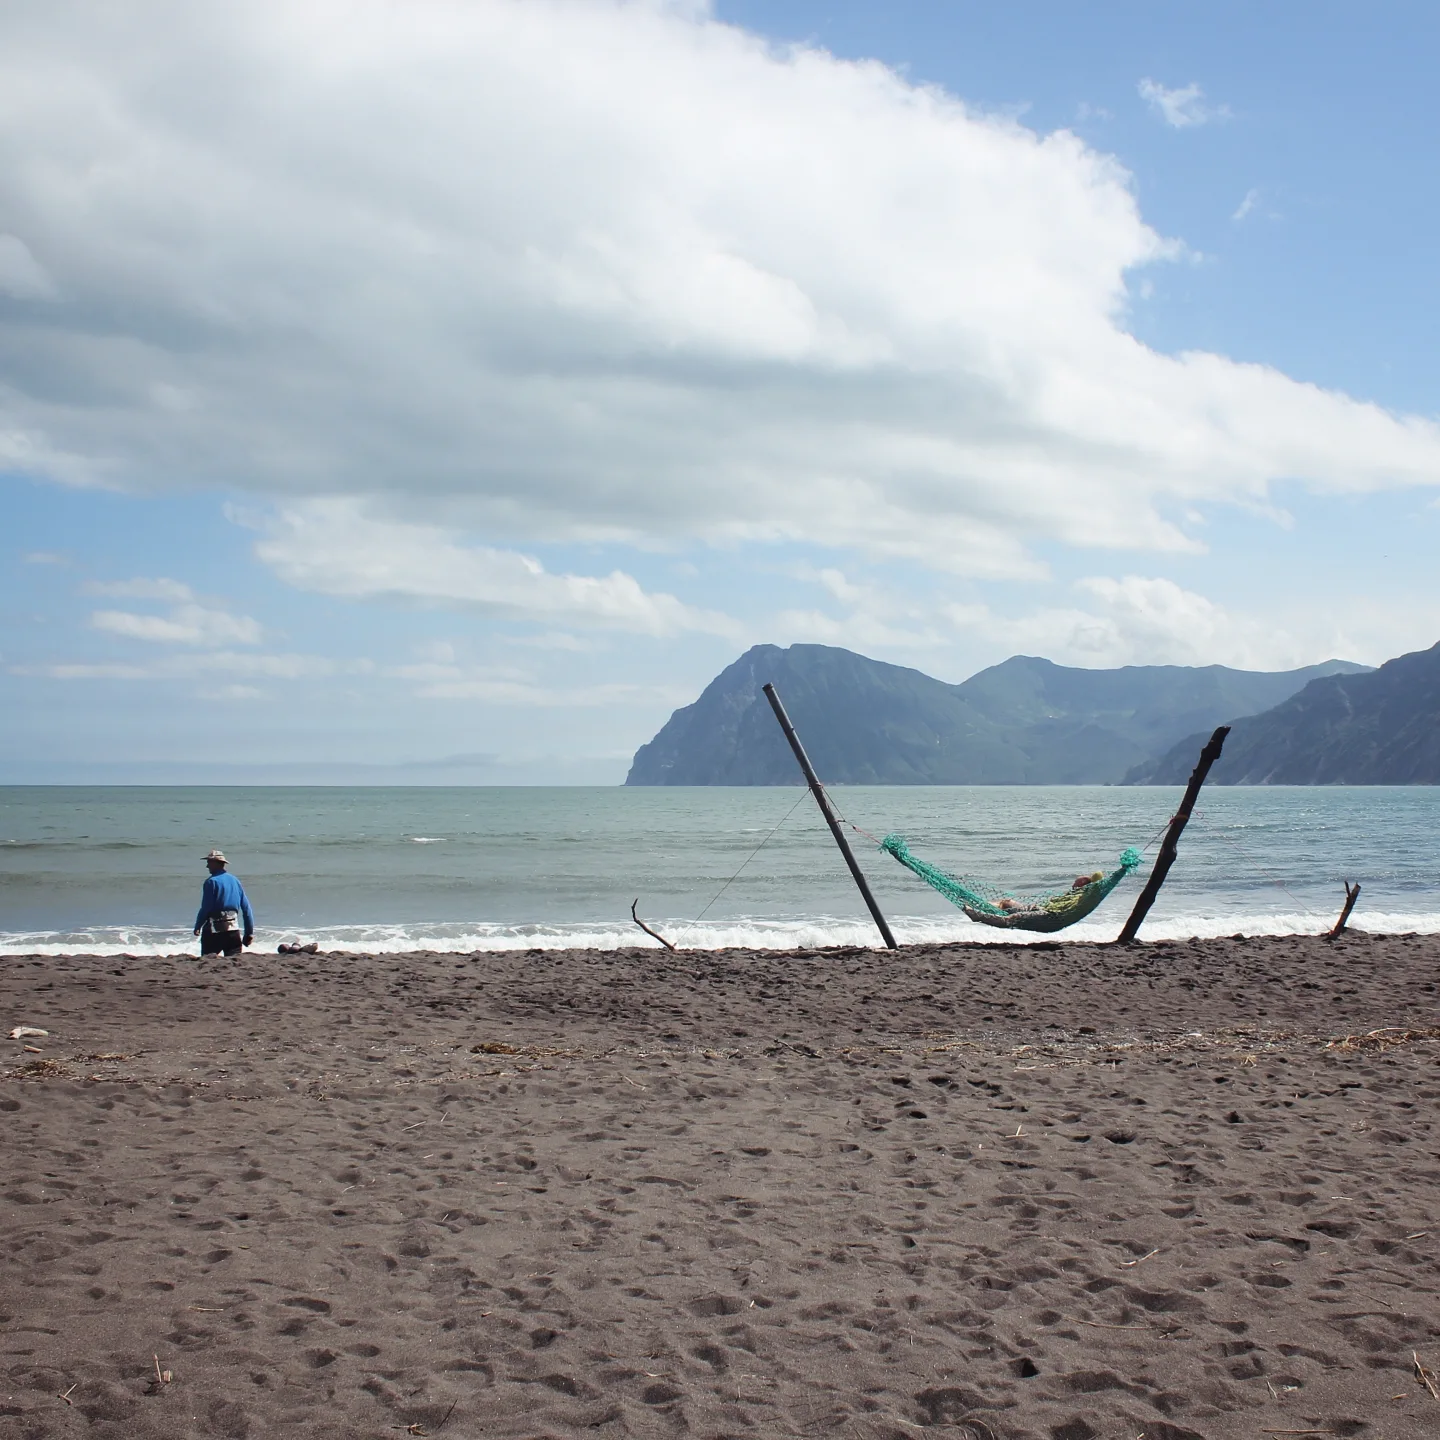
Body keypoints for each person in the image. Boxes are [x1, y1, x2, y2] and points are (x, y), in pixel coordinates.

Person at [193, 849, 255, 957]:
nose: (207, 866)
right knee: (233, 960)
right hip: (233, 931)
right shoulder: (235, 880)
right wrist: (249, 932)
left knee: (208, 960)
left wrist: (198, 925)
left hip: (214, 931)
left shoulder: (211, 882)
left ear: (216, 863)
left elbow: (206, 907)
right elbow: (246, 908)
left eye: (209, 862)